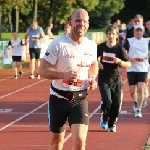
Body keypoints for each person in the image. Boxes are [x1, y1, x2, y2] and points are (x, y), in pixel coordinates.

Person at [38, 8, 98, 150]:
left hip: (80, 98)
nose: (81, 24)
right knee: (57, 144)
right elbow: (42, 70)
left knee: (79, 141)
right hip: (58, 98)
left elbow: (94, 63)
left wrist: (92, 78)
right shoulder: (58, 44)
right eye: (78, 20)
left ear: (88, 24)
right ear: (70, 22)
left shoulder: (91, 46)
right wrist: (63, 75)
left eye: (84, 21)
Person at [97, 24, 131, 132]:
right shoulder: (101, 47)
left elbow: (129, 64)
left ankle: (112, 124)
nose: (111, 36)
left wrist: (119, 62)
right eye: (109, 33)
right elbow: (93, 59)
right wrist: (98, 63)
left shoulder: (120, 49)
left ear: (117, 35)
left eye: (113, 34)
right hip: (103, 78)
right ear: (106, 34)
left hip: (116, 79)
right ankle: (104, 117)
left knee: (116, 104)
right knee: (107, 100)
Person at [124, 24, 149, 117]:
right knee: (132, 91)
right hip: (132, 68)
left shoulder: (147, 41)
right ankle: (136, 100)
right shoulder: (129, 41)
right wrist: (128, 59)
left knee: (141, 89)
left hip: (143, 68)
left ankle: (138, 110)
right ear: (134, 32)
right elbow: (123, 53)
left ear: (143, 32)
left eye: (140, 31)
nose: (138, 32)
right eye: (137, 31)